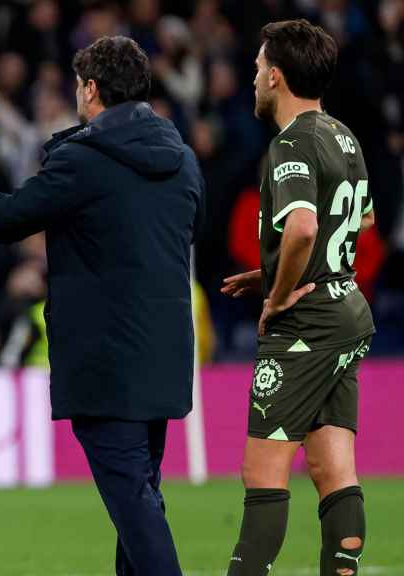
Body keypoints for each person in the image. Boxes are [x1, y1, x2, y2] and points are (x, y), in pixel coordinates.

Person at [0, 36, 203, 574]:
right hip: (166, 356)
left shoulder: (84, 162)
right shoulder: (182, 159)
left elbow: (7, 218)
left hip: (106, 364)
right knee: (139, 495)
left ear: (90, 89)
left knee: (134, 503)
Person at [221, 20, 373, 576]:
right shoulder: (342, 136)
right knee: (335, 471)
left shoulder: (292, 141)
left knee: (261, 475)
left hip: (306, 324)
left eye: (260, 67)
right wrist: (268, 273)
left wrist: (277, 296)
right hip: (347, 312)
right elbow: (356, 223)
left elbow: (305, 228)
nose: (254, 76)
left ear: (277, 77)